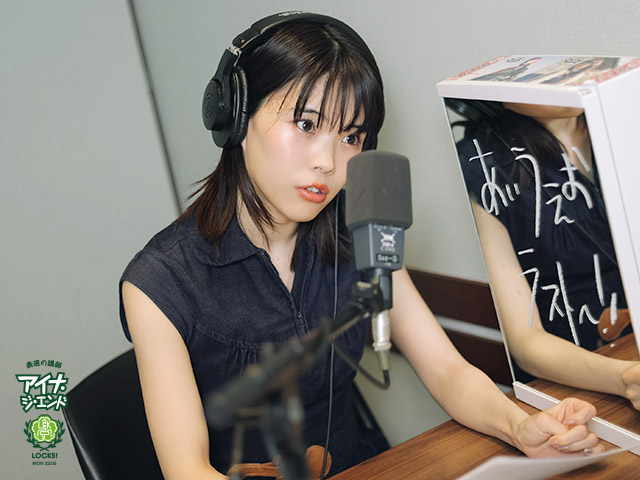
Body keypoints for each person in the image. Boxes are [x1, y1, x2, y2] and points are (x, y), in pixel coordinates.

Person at [120, 13, 603, 480]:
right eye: (306, 125)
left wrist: (520, 428)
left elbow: (447, 370)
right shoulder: (159, 283)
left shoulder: (361, 224)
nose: (329, 162)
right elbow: (187, 470)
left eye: (351, 136)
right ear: (237, 118)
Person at [450, 98, 640, 409]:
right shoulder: (486, 160)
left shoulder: (623, 119)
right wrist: (624, 378)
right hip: (578, 381)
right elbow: (524, 338)